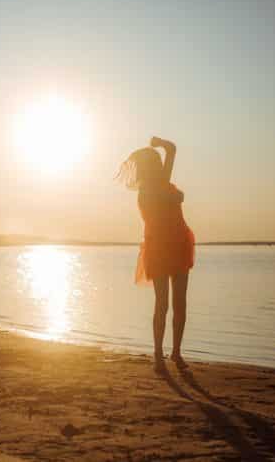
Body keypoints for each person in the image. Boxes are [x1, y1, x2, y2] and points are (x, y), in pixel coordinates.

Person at [117, 137, 195, 372]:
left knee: (179, 303)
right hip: (160, 247)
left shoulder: (162, 183)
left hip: (179, 243)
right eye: (157, 161)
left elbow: (171, 150)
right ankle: (159, 356)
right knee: (162, 304)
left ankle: (175, 353)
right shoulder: (148, 191)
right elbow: (172, 151)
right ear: (150, 166)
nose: (162, 164)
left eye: (160, 161)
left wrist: (159, 144)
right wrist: (157, 144)